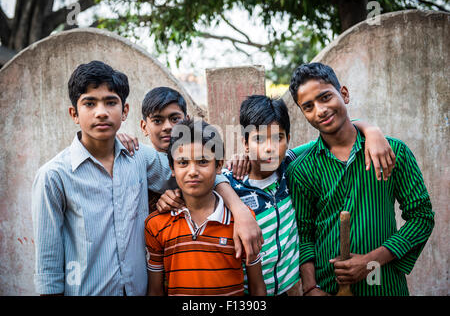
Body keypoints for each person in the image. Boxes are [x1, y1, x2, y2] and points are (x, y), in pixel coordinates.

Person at [31, 61, 261, 296]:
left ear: (125, 111)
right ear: (74, 114)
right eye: (89, 103)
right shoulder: (53, 176)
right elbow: (48, 270)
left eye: (110, 102)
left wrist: (240, 211)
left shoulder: (139, 157)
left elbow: (199, 171)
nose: (101, 112)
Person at [222, 95, 397, 296]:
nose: (269, 148)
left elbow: (334, 134)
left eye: (277, 138)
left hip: (290, 290)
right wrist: (237, 205)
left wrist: (370, 130)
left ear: (287, 140)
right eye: (258, 139)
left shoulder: (290, 166)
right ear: (245, 143)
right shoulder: (231, 182)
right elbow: (213, 181)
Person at [287, 62, 435, 296]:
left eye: (325, 97)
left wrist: (370, 261)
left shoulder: (392, 152)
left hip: (384, 286)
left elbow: (422, 217)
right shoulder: (301, 170)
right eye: (308, 107)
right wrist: (310, 287)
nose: (320, 110)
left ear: (343, 94)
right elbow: (303, 234)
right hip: (328, 289)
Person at [145, 119, 267, 296]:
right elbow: (155, 291)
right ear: (172, 167)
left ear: (218, 165)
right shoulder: (156, 224)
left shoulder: (241, 222)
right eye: (183, 163)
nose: (192, 171)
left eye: (203, 161)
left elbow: (257, 287)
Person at [118, 87, 187, 212]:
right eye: (157, 121)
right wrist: (112, 143)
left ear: (187, 122)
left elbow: (216, 176)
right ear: (144, 127)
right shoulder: (137, 157)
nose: (167, 127)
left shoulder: (202, 160)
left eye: (175, 119)